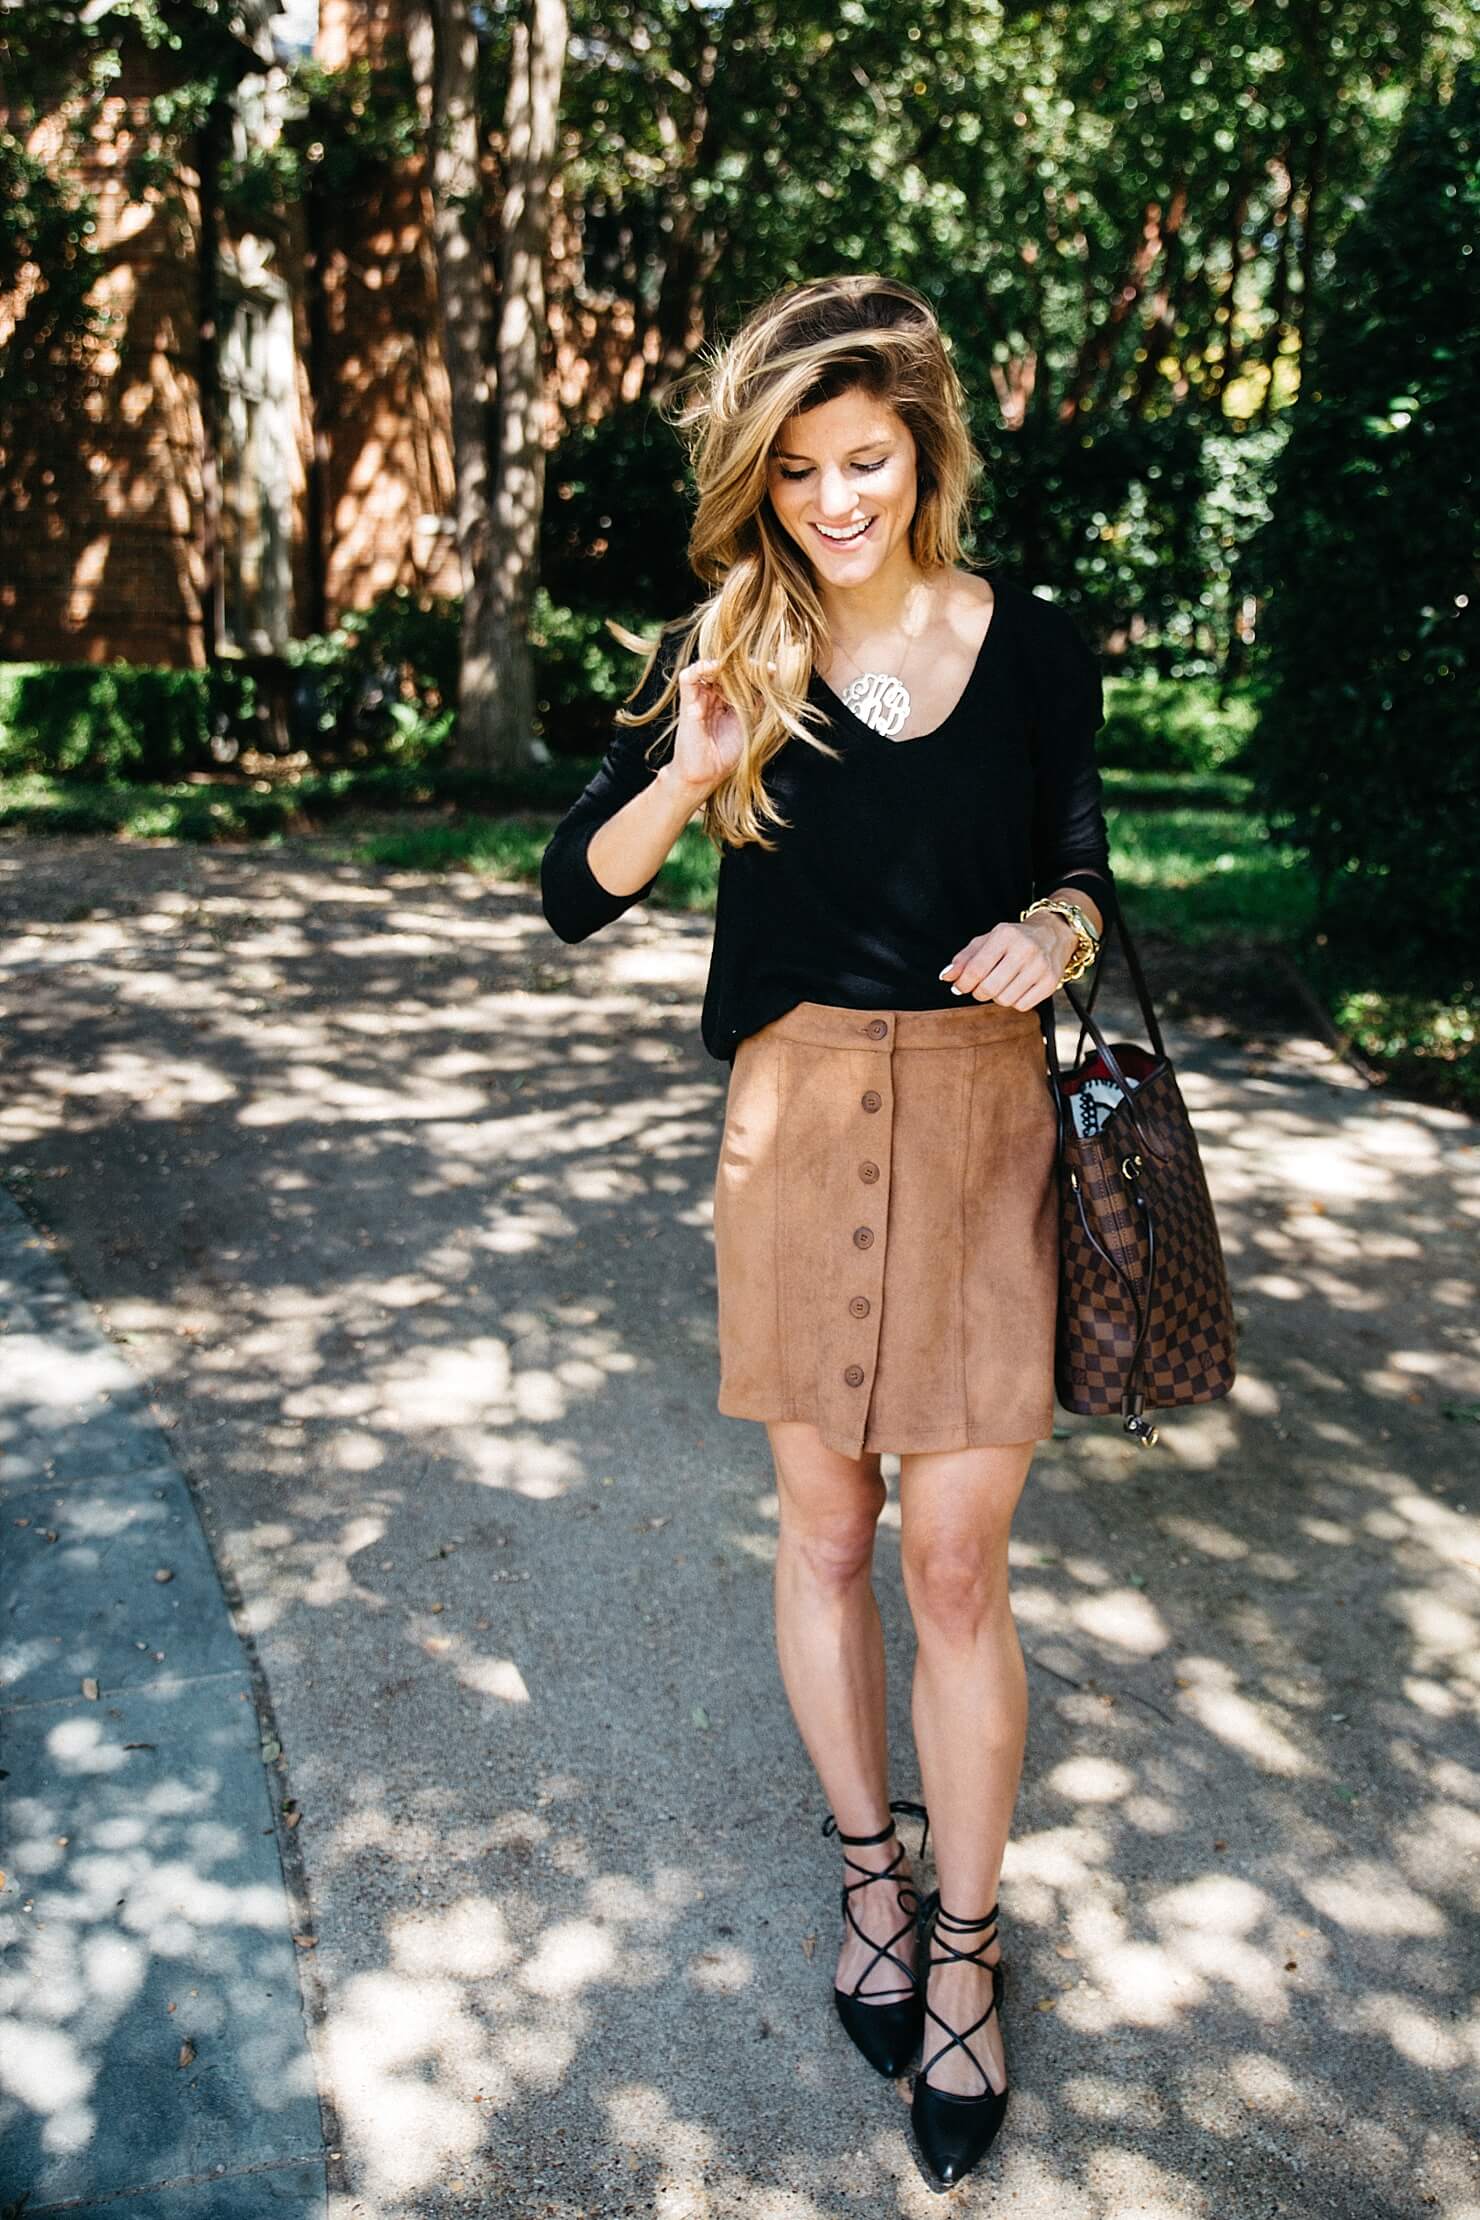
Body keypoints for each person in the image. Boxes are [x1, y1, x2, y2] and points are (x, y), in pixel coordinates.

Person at [539, 273, 1115, 2192]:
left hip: (976, 1120)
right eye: (797, 471)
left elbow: (1084, 870)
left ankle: (966, 1946)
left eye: (864, 460)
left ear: (926, 451)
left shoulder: (1034, 647)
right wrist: (690, 773)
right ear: (759, 479)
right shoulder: (733, 647)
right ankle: (866, 1869)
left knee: (953, 1569)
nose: (833, 500)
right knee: (823, 1531)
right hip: (789, 1122)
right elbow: (574, 888)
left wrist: (1059, 935)